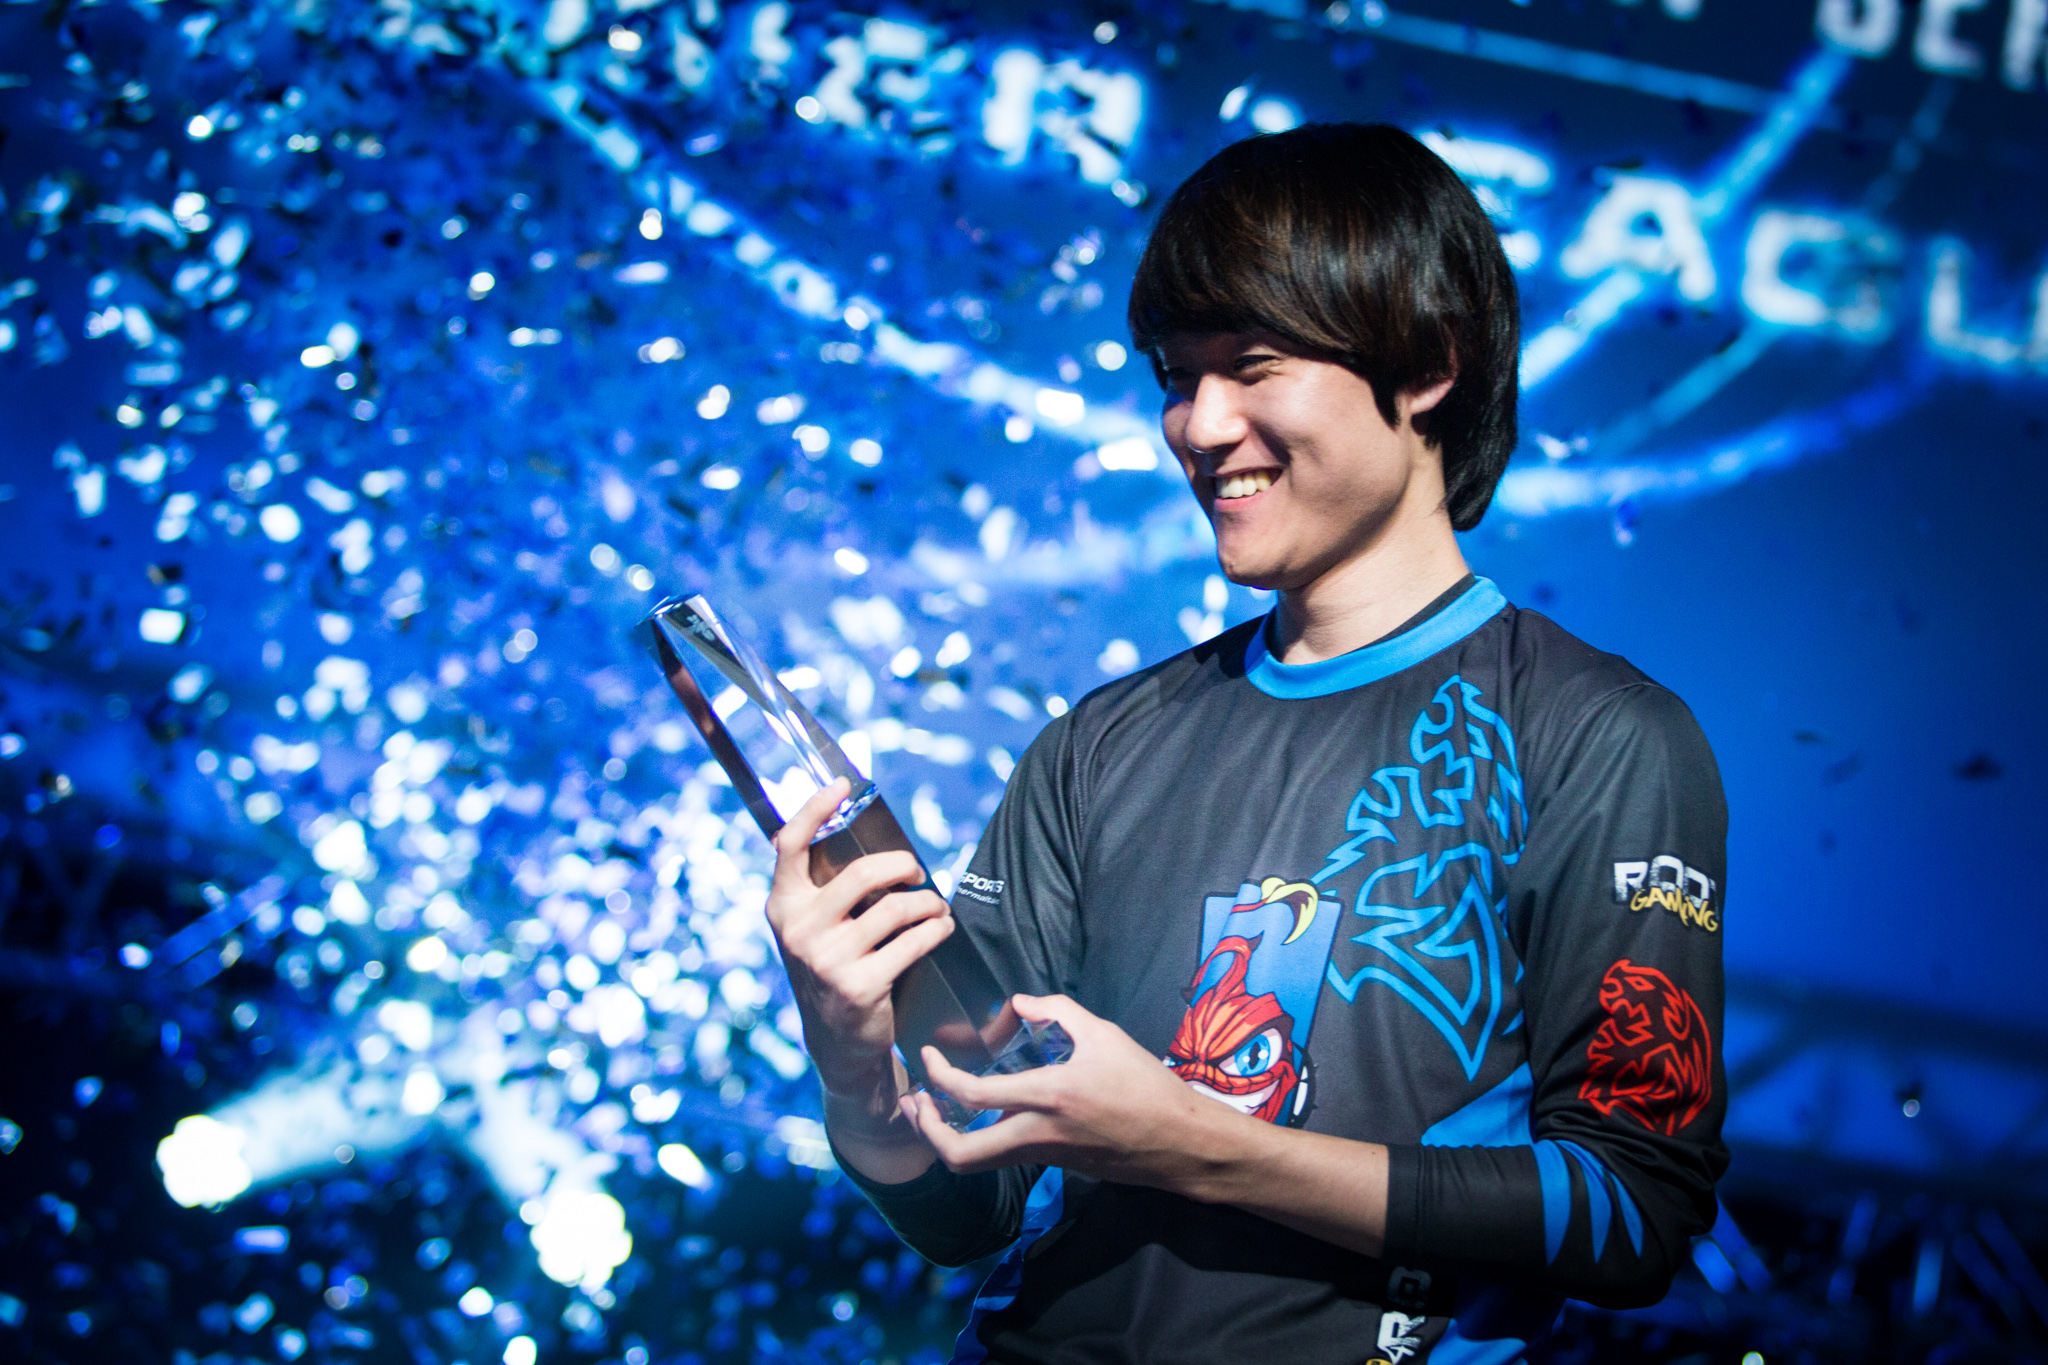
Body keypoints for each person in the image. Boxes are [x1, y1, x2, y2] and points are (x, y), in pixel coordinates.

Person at [765, 123, 1728, 1364]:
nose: (1199, 425)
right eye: (1177, 375)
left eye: (1252, 366)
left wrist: (1198, 1146)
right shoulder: (1098, 745)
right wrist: (853, 1071)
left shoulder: (1595, 736)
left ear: (1427, 364)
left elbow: (1631, 1212)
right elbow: (969, 1212)